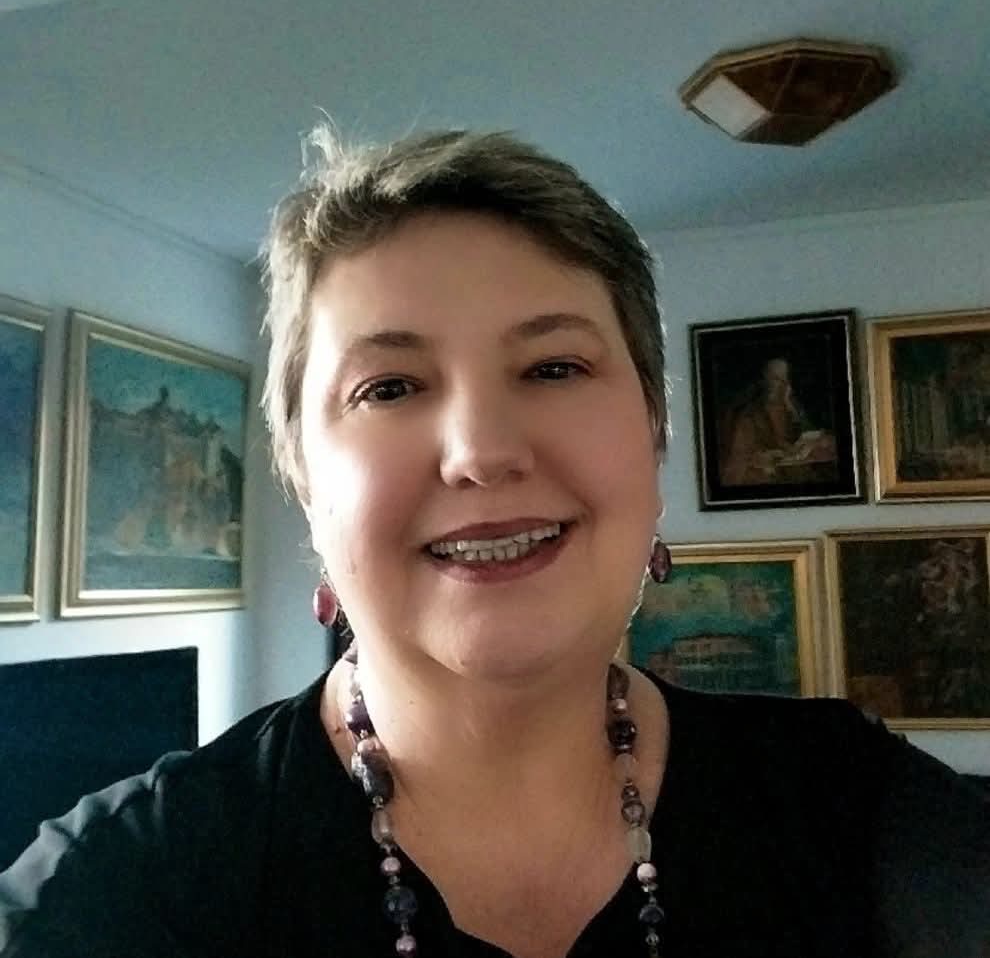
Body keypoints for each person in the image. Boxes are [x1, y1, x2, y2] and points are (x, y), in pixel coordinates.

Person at [1, 125, 988, 958]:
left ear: (654, 436)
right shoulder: (123, 886)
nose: (481, 452)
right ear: (302, 478)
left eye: (554, 367)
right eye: (389, 387)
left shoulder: (857, 809)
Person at [720, 356, 836, 486]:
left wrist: (790, 408)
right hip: (767, 474)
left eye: (785, 380)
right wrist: (764, 457)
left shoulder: (791, 406)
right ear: (764, 381)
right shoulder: (750, 414)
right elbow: (738, 459)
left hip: (792, 468)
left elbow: (806, 434)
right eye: (776, 379)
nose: (783, 385)